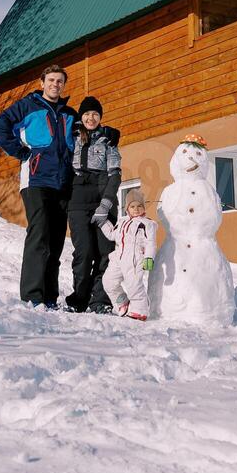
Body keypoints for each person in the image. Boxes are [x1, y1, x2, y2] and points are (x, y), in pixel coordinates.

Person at [0, 65, 76, 307]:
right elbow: (0, 126)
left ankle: (50, 296)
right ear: (42, 83)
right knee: (39, 235)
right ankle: (32, 295)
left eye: (59, 81)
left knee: (57, 240)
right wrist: (20, 151)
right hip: (36, 179)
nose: (55, 84)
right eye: (51, 80)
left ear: (63, 84)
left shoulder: (69, 113)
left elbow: (86, 133)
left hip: (63, 182)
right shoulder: (27, 106)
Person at [65, 96, 121, 313]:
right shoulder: (72, 138)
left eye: (95, 114)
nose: (91, 118)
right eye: (87, 114)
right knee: (84, 252)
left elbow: (115, 175)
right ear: (81, 116)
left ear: (100, 118)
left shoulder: (109, 142)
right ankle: (79, 298)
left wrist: (106, 205)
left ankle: (100, 301)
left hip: (102, 198)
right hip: (78, 200)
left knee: (105, 253)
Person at [98, 187, 157, 321]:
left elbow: (151, 243)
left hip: (135, 258)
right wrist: (103, 223)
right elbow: (112, 235)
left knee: (134, 284)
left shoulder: (147, 224)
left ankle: (139, 310)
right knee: (108, 281)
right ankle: (122, 302)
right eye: (132, 206)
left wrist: (149, 258)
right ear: (127, 208)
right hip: (118, 257)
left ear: (144, 207)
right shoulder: (122, 221)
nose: (136, 209)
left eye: (139, 206)